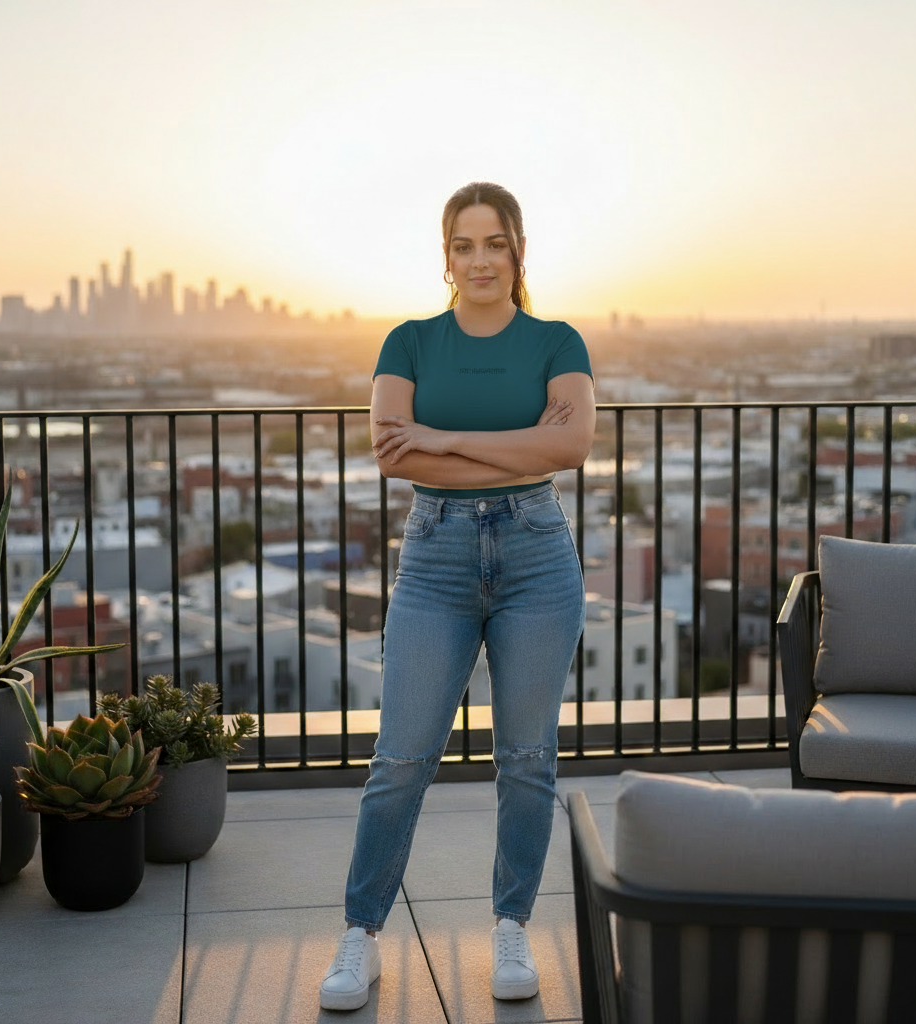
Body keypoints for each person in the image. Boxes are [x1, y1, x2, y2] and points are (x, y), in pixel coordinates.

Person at [319, 181, 595, 1011]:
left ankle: (511, 925)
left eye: (496, 243)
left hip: (537, 557)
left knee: (526, 760)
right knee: (400, 760)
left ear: (519, 251)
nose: (481, 260)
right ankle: (360, 936)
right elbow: (394, 455)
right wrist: (507, 448)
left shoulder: (557, 339)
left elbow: (573, 444)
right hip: (436, 557)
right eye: (464, 245)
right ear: (446, 257)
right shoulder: (408, 342)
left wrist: (448, 436)